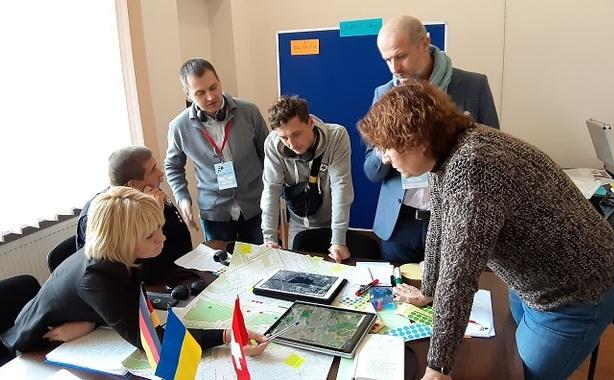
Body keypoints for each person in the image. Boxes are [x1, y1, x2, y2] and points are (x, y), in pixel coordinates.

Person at [358, 81, 614, 380]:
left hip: (578, 290)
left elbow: (459, 275)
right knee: (506, 353)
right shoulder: (446, 153)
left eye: (387, 147)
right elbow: (439, 228)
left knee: (517, 374)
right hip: (536, 280)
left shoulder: (472, 167)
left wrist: (437, 369)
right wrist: (428, 291)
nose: (384, 158)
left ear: (417, 142)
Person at [1, 186, 269, 356]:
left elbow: (124, 302)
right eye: (150, 235)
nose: (161, 240)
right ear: (123, 240)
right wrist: (226, 335)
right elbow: (155, 343)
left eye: (159, 229)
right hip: (41, 346)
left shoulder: (118, 253)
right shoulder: (97, 278)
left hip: (83, 322)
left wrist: (91, 320)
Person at [363, 15, 500, 263]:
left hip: (453, 219)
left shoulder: (472, 86)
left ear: (425, 43)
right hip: (400, 224)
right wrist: (384, 152)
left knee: (448, 293)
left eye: (400, 56)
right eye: (387, 60)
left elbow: (493, 158)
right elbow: (371, 172)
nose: (394, 68)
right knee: (398, 296)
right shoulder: (383, 94)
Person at [165, 58, 268, 244]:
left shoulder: (249, 111)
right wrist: (183, 199)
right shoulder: (179, 127)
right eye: (200, 93)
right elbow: (172, 166)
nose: (211, 97)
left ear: (219, 81)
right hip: (214, 213)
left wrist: (272, 194)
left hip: (255, 206)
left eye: (213, 87)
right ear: (187, 94)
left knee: (263, 264)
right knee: (220, 268)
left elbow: (267, 154)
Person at [76, 146, 191, 283]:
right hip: (150, 285)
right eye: (153, 170)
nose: (161, 174)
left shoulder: (151, 194)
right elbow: (132, 267)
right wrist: (155, 214)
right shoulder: (107, 214)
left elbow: (179, 234)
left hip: (181, 270)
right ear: (132, 185)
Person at [260, 96, 354, 262]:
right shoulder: (272, 145)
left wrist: (338, 240)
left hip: (332, 219)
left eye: (296, 134)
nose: (292, 144)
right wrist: (269, 239)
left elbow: (342, 187)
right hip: (298, 222)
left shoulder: (337, 136)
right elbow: (271, 191)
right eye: (284, 137)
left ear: (311, 123)